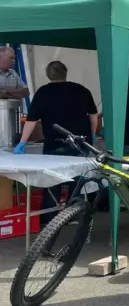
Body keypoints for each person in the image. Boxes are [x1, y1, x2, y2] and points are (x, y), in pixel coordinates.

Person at [14, 61, 98, 223]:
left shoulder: (43, 92)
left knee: (51, 179)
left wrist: (22, 143)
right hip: (80, 142)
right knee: (77, 179)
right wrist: (92, 134)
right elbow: (93, 115)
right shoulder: (81, 90)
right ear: (65, 73)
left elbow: (31, 120)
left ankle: (49, 217)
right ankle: (75, 214)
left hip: (54, 143)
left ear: (48, 74)